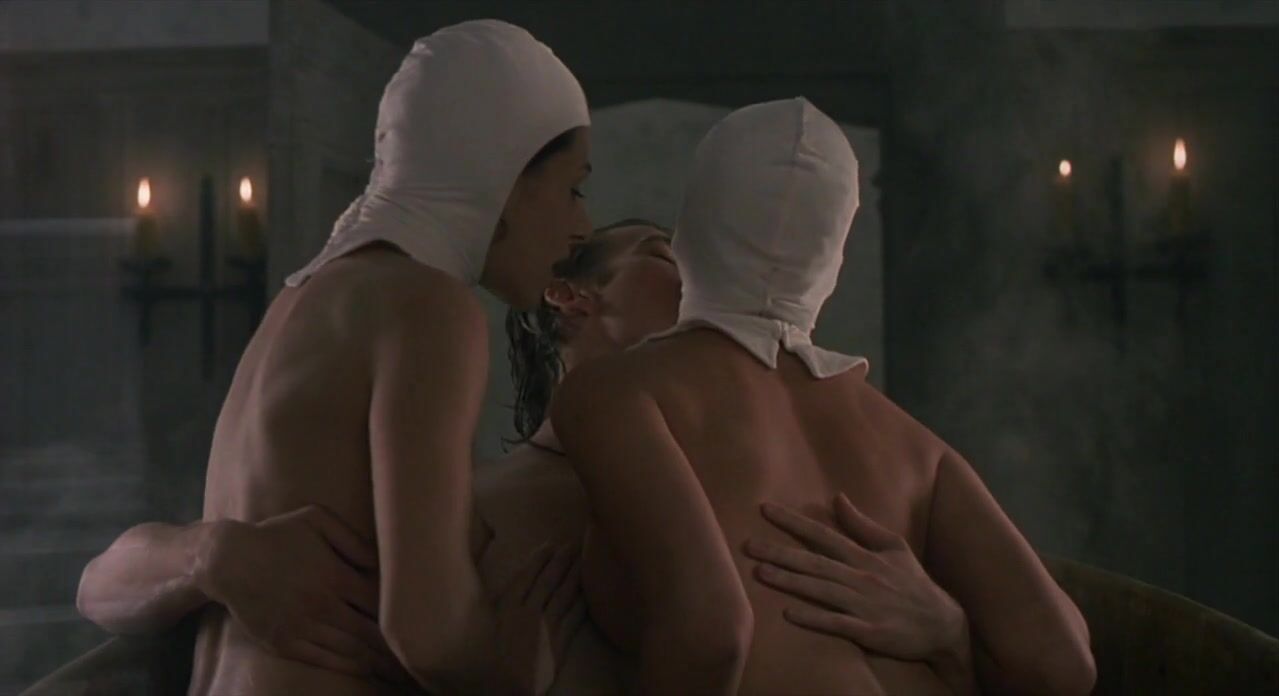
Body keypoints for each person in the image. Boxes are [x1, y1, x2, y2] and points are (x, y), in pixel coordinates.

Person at [77, 220, 977, 693]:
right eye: (668, 258)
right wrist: (209, 553)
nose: (708, 285)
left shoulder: (775, 497)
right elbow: (101, 589)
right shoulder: (464, 512)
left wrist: (948, 630)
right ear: (572, 297)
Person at [95, 19, 593, 695]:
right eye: (572, 188)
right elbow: (429, 632)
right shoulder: (428, 305)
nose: (581, 225)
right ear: (503, 176)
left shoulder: (304, 299)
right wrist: (523, 660)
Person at [549, 98, 1096, 695]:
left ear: (693, 228)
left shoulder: (618, 394)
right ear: (832, 255)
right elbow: (1061, 663)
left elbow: (710, 635)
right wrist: (952, 635)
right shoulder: (915, 445)